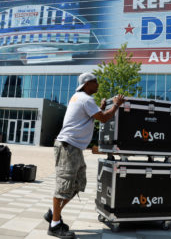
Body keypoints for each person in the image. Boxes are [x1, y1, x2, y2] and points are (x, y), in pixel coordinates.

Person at [44, 72, 125, 239]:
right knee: (64, 185)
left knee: (78, 184)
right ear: (87, 84)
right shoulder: (85, 99)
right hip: (68, 147)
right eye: (95, 82)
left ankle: (53, 213)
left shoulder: (79, 97)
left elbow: (91, 117)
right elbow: (103, 119)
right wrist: (116, 105)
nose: (98, 84)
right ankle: (54, 225)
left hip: (74, 148)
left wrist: (101, 108)